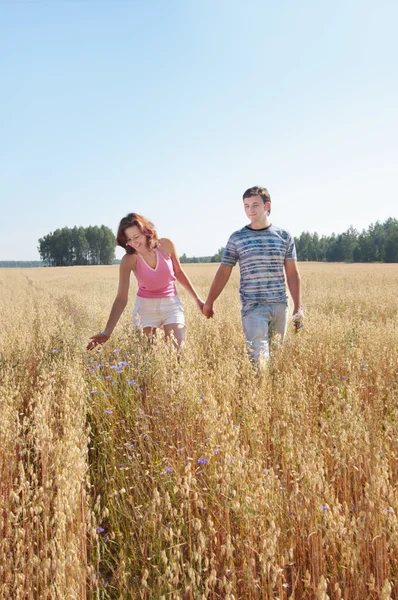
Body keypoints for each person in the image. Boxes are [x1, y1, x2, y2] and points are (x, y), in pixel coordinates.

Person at [203, 186, 302, 363]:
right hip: (253, 307)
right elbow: (224, 271)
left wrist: (298, 307)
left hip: (280, 305)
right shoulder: (237, 238)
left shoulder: (284, 236)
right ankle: (258, 389)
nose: (250, 210)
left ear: (267, 206)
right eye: (246, 206)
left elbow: (292, 274)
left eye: (255, 205)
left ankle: (272, 390)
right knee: (258, 360)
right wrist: (209, 301)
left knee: (277, 358)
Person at [87, 213, 205, 350]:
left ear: (146, 232)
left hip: (171, 305)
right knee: (148, 358)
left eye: (136, 237)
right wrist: (107, 332)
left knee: (178, 352)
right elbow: (121, 298)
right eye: (129, 240)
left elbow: (178, 272)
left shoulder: (166, 245)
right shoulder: (129, 260)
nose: (134, 243)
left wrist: (197, 299)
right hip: (145, 309)